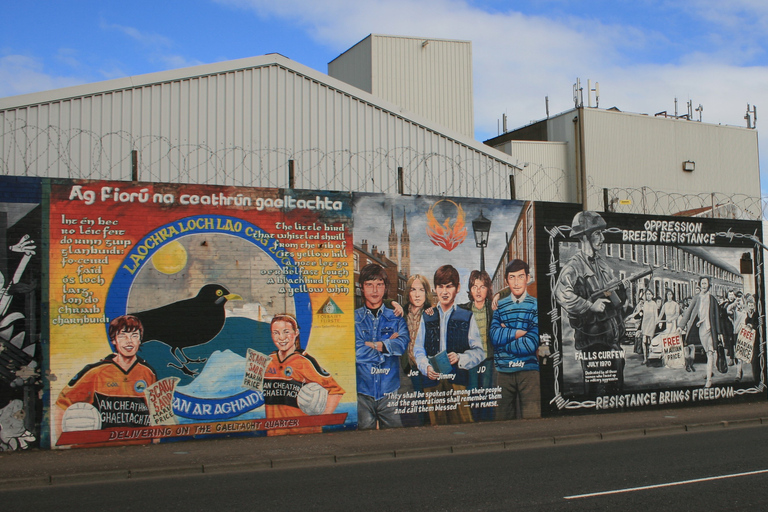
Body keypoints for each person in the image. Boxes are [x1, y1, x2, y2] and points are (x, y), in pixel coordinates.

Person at [553, 211, 629, 395]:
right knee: (596, 394)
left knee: (616, 391)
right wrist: (589, 305)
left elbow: (613, 296)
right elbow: (561, 293)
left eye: (601, 233)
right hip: (592, 343)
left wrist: (620, 289)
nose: (602, 238)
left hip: (611, 340)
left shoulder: (602, 264)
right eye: (597, 233)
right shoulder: (574, 266)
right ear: (584, 237)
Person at [55, 315, 157, 437]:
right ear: (114, 340)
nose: (129, 341)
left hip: (140, 444)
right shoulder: (95, 372)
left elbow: (156, 412)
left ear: (140, 339)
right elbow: (62, 404)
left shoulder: (148, 372)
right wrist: (63, 441)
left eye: (134, 336)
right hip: (103, 444)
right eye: (122, 335)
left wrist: (156, 438)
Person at [413, 265, 485, 425]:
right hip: (432, 381)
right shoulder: (427, 316)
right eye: (440, 286)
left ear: (457, 288)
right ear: (435, 288)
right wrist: (426, 367)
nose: (444, 292)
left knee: (463, 422)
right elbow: (418, 349)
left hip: (458, 380)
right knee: (435, 425)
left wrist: (460, 357)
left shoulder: (466, 316)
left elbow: (479, 352)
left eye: (449, 286)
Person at [262, 313, 344, 435]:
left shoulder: (305, 361)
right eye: (276, 333)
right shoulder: (268, 361)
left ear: (296, 333)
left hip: (303, 434)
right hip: (275, 434)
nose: (281, 337)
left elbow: (336, 391)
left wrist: (320, 420)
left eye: (286, 332)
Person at [355, 263, 409, 429]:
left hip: (389, 391)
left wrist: (371, 344)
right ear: (362, 288)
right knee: (364, 439)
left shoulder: (395, 317)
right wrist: (386, 349)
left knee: (395, 435)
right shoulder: (354, 319)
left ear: (385, 288)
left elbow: (401, 344)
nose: (374, 290)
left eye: (379, 285)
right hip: (362, 392)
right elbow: (356, 351)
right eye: (369, 285)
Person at [490, 259, 540, 420]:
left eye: (520, 276)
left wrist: (506, 338)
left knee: (532, 419)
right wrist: (520, 332)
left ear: (527, 278)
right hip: (503, 372)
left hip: (529, 372)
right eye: (512, 277)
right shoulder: (500, 306)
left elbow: (531, 343)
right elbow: (494, 336)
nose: (516, 282)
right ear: (506, 280)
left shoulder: (535, 306)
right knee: (502, 421)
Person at [459, 269, 495, 420]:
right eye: (474, 287)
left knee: (486, 392)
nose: (478, 291)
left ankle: (487, 423)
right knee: (472, 392)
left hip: (487, 358)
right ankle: (474, 423)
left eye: (482, 286)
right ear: (470, 290)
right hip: (471, 359)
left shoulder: (492, 309)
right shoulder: (464, 310)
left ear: (488, 289)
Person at [680, 276, 723, 388]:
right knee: (707, 352)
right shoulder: (696, 298)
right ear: (700, 285)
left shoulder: (712, 299)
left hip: (711, 329)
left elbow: (717, 317)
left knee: (710, 352)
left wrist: (719, 333)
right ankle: (710, 371)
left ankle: (708, 379)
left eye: (706, 283)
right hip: (700, 330)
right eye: (702, 283)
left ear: (709, 285)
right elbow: (688, 313)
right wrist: (681, 326)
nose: (704, 286)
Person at [639, 289, 659, 365]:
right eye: (647, 294)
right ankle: (645, 358)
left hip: (651, 324)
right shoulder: (645, 304)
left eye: (649, 294)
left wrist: (655, 324)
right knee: (644, 341)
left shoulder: (654, 304)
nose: (648, 296)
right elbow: (643, 316)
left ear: (652, 295)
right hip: (645, 324)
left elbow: (656, 316)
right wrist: (642, 327)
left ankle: (651, 357)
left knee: (650, 341)